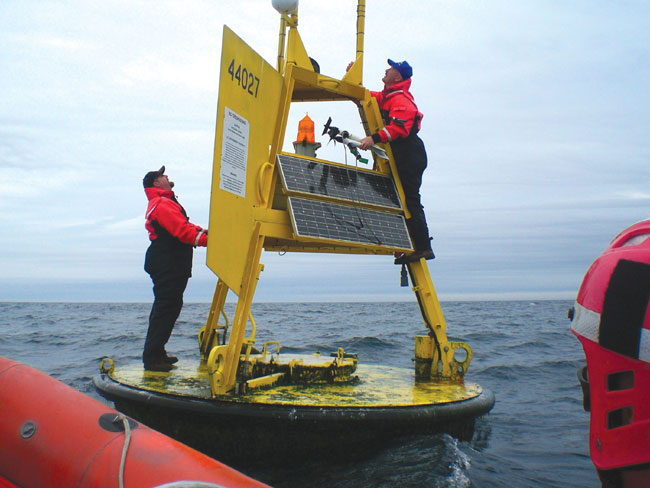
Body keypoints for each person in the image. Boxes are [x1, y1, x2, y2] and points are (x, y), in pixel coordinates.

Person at [353, 59, 434, 264]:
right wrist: (354, 83)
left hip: (410, 153)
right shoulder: (388, 96)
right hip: (403, 153)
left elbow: (400, 127)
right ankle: (411, 243)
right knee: (398, 197)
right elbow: (368, 98)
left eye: (391, 68)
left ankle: (423, 247)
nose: (387, 69)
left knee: (410, 200)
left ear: (397, 77)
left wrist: (374, 138)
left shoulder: (401, 100)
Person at [142, 166, 208, 372]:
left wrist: (208, 232)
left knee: (169, 306)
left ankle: (157, 352)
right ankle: (153, 358)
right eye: (162, 175)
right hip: (167, 262)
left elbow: (185, 226)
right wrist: (214, 240)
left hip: (170, 262)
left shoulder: (164, 202)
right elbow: (183, 232)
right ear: (156, 183)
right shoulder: (162, 203)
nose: (166, 176)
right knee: (166, 307)